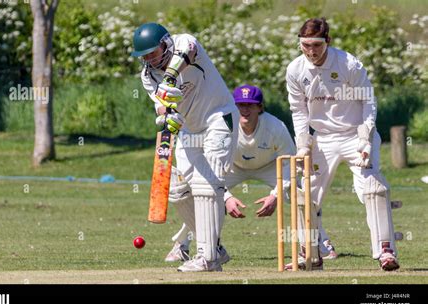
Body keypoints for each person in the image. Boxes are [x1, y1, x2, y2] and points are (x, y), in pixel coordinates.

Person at [165, 85, 337, 267]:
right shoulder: (224, 126)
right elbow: (211, 164)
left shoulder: (275, 126)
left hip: (269, 166)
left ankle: (315, 246)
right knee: (204, 197)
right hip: (231, 167)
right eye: (240, 105)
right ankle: (184, 244)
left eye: (250, 105)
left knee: (299, 193)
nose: (245, 110)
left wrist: (275, 195)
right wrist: (226, 198)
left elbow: (290, 163)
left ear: (259, 107)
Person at [285, 17, 399, 271]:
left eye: (316, 45)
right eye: (305, 45)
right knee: (306, 194)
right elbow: (298, 110)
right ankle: (310, 253)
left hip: (354, 135)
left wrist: (365, 139)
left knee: (373, 189)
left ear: (328, 41)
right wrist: (303, 144)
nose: (311, 52)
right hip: (323, 139)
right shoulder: (295, 69)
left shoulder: (348, 64)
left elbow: (368, 102)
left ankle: (385, 250)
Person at [131, 23, 239, 272]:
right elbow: (161, 106)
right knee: (177, 190)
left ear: (165, 43)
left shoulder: (184, 42)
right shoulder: (148, 76)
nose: (149, 59)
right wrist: (167, 116)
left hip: (218, 118)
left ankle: (208, 256)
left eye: (152, 52)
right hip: (189, 130)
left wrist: (170, 77)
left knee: (208, 186)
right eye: (144, 55)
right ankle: (215, 247)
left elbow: (187, 53)